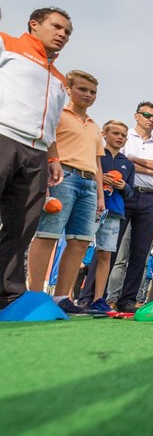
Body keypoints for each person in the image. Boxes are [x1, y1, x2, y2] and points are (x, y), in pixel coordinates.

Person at [0, 6, 70, 310]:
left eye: (67, 32)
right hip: (3, 137)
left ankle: (8, 296)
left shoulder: (58, 77)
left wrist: (53, 158)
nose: (63, 35)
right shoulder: (7, 44)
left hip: (38, 153)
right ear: (34, 24)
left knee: (21, 228)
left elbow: (52, 122)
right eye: (56, 27)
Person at [27, 70, 104, 314]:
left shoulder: (94, 126)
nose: (88, 95)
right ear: (69, 89)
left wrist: (101, 195)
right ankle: (36, 296)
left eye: (93, 92)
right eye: (82, 89)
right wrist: (53, 159)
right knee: (48, 234)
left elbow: (99, 163)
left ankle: (62, 298)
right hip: (63, 177)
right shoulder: (58, 113)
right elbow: (47, 138)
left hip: (89, 182)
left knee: (80, 242)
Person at [111, 101, 153, 313]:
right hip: (124, 193)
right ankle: (97, 296)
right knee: (111, 248)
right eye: (147, 115)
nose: (151, 120)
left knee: (140, 253)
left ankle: (127, 299)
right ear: (136, 116)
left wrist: (134, 162)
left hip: (150, 198)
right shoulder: (124, 137)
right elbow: (119, 161)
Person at [81, 120, 135, 314]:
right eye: (115, 133)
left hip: (114, 212)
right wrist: (98, 178)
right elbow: (84, 176)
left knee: (106, 254)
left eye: (123, 135)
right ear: (104, 134)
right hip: (90, 207)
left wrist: (123, 187)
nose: (120, 137)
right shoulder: (96, 156)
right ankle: (67, 297)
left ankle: (98, 299)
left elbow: (130, 192)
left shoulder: (127, 163)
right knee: (78, 249)